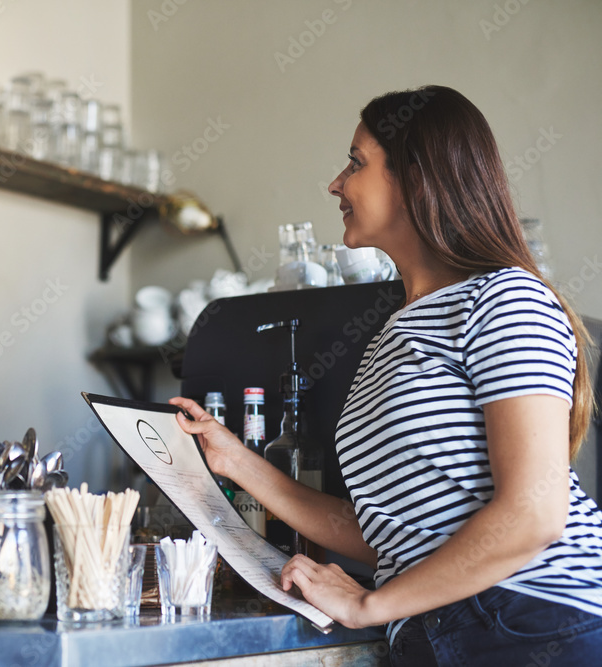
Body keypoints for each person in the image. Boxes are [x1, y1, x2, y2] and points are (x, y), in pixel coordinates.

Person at [172, 85, 602, 664]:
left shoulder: (504, 298)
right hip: (439, 628)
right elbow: (389, 530)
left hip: (531, 616)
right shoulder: (391, 335)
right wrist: (233, 459)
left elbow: (535, 513)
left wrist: (372, 606)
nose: (335, 184)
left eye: (355, 162)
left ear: (417, 178)